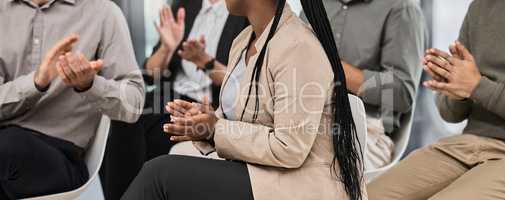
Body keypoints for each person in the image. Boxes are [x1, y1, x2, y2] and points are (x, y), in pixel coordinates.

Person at [121, 0, 367, 199]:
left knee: (160, 174)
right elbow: (247, 115)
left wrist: (215, 128)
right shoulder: (244, 40)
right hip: (259, 170)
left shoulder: (298, 46)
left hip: (300, 184)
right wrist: (205, 121)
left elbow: (290, 148)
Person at [100, 0, 248, 199]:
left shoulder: (242, 11)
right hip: (168, 96)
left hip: (206, 107)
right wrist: (167, 48)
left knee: (144, 142)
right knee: (125, 112)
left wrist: (204, 61)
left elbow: (242, 84)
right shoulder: (185, 5)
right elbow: (150, 73)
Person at [368, 0, 505, 199]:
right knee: (367, 195)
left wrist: (477, 87)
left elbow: (477, 87)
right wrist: (454, 89)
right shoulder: (480, 7)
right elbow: (450, 114)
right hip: (467, 145)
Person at [0, 0, 145, 199]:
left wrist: (90, 85)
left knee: (9, 146)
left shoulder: (103, 13)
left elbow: (134, 103)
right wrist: (35, 83)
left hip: (60, 154)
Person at [300, 0, 425, 170]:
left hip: (366, 131)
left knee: (299, 168)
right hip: (306, 117)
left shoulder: (402, 7)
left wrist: (332, 65)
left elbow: (402, 93)